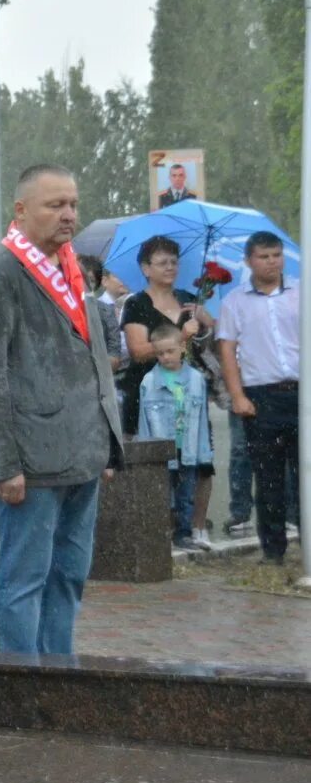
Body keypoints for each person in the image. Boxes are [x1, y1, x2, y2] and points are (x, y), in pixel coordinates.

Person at [0, 164, 122, 655]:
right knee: (24, 579)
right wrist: (2, 465)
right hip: (29, 462)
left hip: (81, 455)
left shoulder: (71, 268)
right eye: (55, 205)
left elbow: (92, 361)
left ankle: (59, 678)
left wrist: (105, 444)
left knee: (69, 575)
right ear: (22, 210)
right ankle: (22, 687)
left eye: (72, 204)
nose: (68, 214)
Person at [120, 235, 216, 547]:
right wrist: (178, 334)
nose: (170, 267)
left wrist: (205, 322)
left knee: (198, 457)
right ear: (146, 268)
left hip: (188, 392)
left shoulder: (189, 299)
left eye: (174, 261)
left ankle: (195, 526)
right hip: (149, 394)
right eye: (162, 262)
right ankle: (160, 529)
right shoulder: (137, 304)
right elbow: (138, 351)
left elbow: (207, 345)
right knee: (156, 462)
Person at [218, 231, 300, 566]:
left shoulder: (300, 293)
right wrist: (238, 396)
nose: (272, 262)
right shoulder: (235, 302)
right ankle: (273, 551)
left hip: (301, 393)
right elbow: (227, 349)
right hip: (261, 398)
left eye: (277, 255)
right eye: (264, 256)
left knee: (305, 474)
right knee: (268, 477)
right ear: (250, 261)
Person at [138, 323, 212, 550]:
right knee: (161, 493)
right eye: (159, 353)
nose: (164, 357)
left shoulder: (197, 379)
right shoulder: (149, 382)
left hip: (187, 447)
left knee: (186, 492)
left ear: (182, 347)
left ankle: (183, 533)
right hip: (162, 448)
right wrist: (146, 452)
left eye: (169, 351)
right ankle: (161, 533)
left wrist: (204, 452)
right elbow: (144, 420)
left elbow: (202, 420)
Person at [76, 253, 123, 372]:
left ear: (97, 285)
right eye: (79, 278)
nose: (84, 285)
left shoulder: (106, 312)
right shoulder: (60, 310)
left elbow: (115, 355)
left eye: (90, 281)